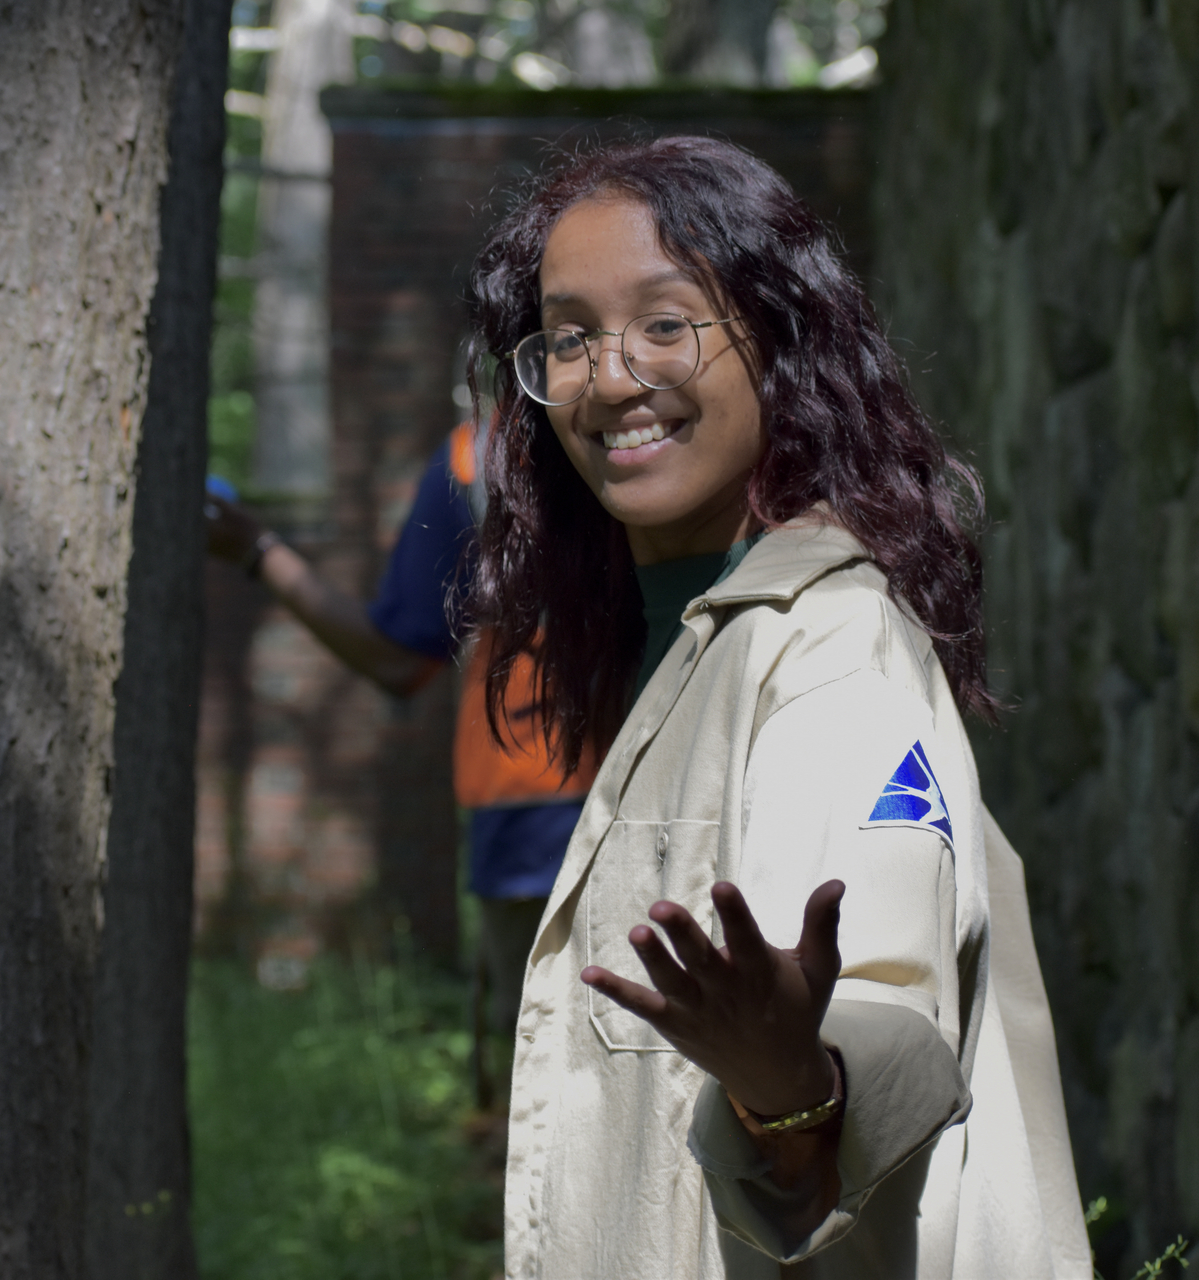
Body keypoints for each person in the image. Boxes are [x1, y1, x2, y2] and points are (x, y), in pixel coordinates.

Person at [463, 136, 1090, 1277]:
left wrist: (794, 1086)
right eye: (568, 336)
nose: (609, 378)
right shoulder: (682, 628)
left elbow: (881, 992)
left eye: (667, 323)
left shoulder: (830, 643)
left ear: (781, 339)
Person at [204, 425, 598, 1106]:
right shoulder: (693, 415)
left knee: (546, 1071)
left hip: (535, 796)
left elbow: (396, 656)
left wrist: (257, 551)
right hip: (681, 774)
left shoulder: (479, 456)